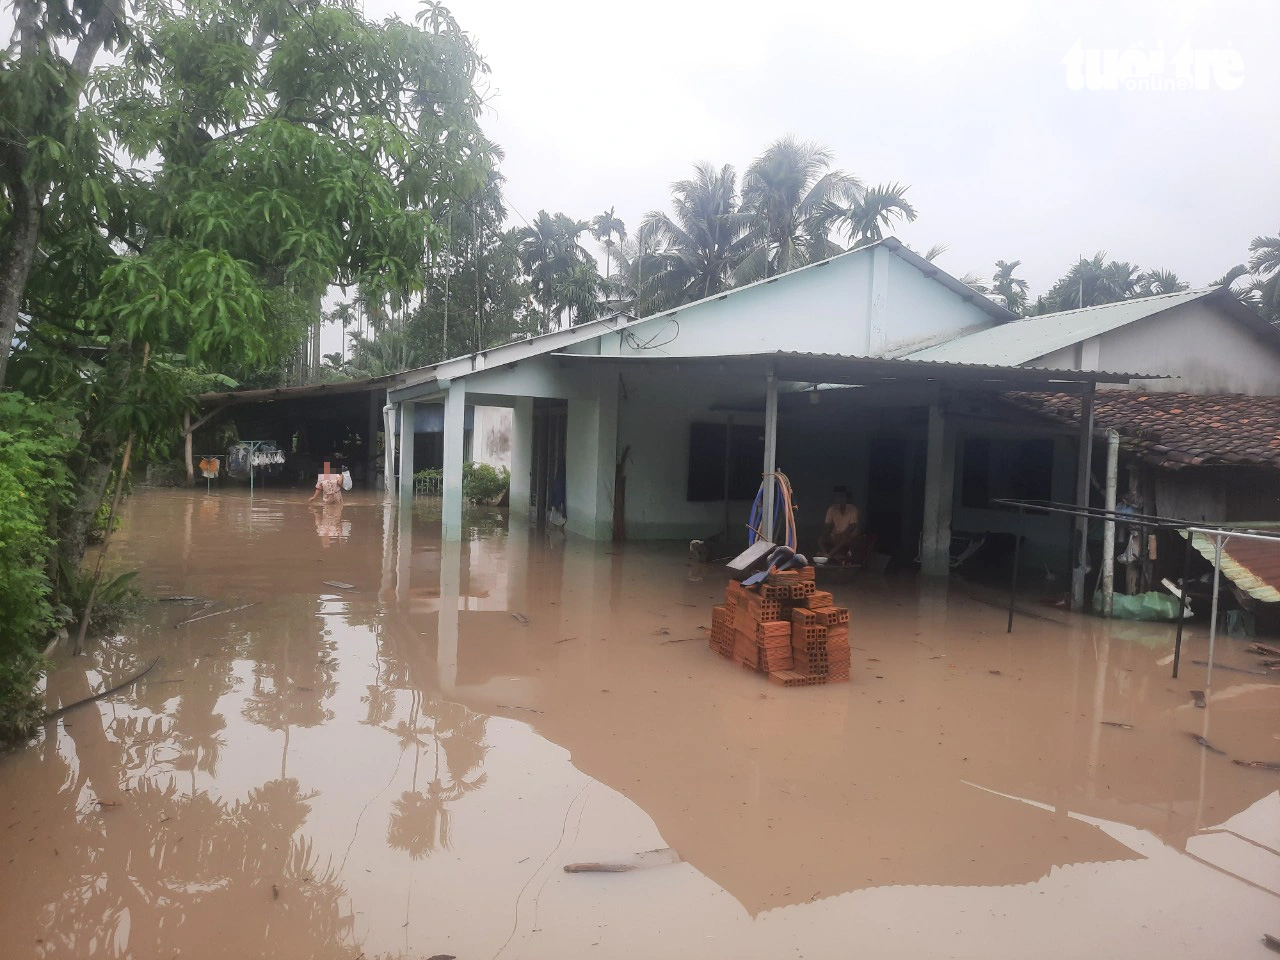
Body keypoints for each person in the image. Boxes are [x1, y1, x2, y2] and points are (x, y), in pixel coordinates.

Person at [820, 486, 864, 562]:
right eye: (837, 498)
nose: (839, 501)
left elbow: (852, 527)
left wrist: (841, 535)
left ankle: (829, 555)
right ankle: (825, 554)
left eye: (841, 498)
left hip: (850, 536)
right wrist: (825, 534)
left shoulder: (853, 509)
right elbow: (826, 525)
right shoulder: (832, 509)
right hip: (836, 535)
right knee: (820, 539)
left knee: (844, 539)